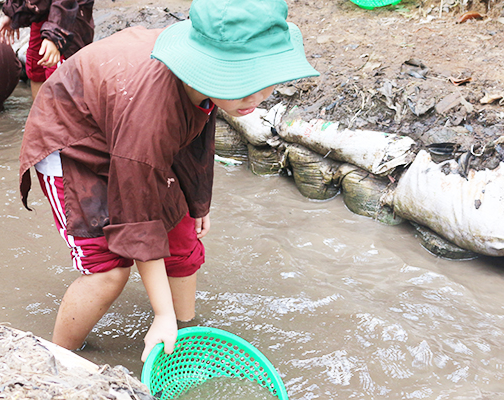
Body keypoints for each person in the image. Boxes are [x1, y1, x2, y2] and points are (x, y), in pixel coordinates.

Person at [18, 0, 320, 360]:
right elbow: (138, 216)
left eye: (264, 83)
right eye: (242, 85)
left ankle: (184, 337)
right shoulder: (149, 120)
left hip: (126, 124)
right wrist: (160, 315)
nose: (255, 99)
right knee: (109, 270)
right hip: (75, 140)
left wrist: (197, 201)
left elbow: (196, 135)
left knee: (182, 239)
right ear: (204, 71)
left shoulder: (206, 85)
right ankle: (56, 358)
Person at [0, 0, 94, 99]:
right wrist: (11, 11)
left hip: (68, 14)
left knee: (58, 72)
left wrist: (55, 34)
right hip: (42, 10)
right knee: (35, 64)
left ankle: (58, 112)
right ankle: (39, 111)